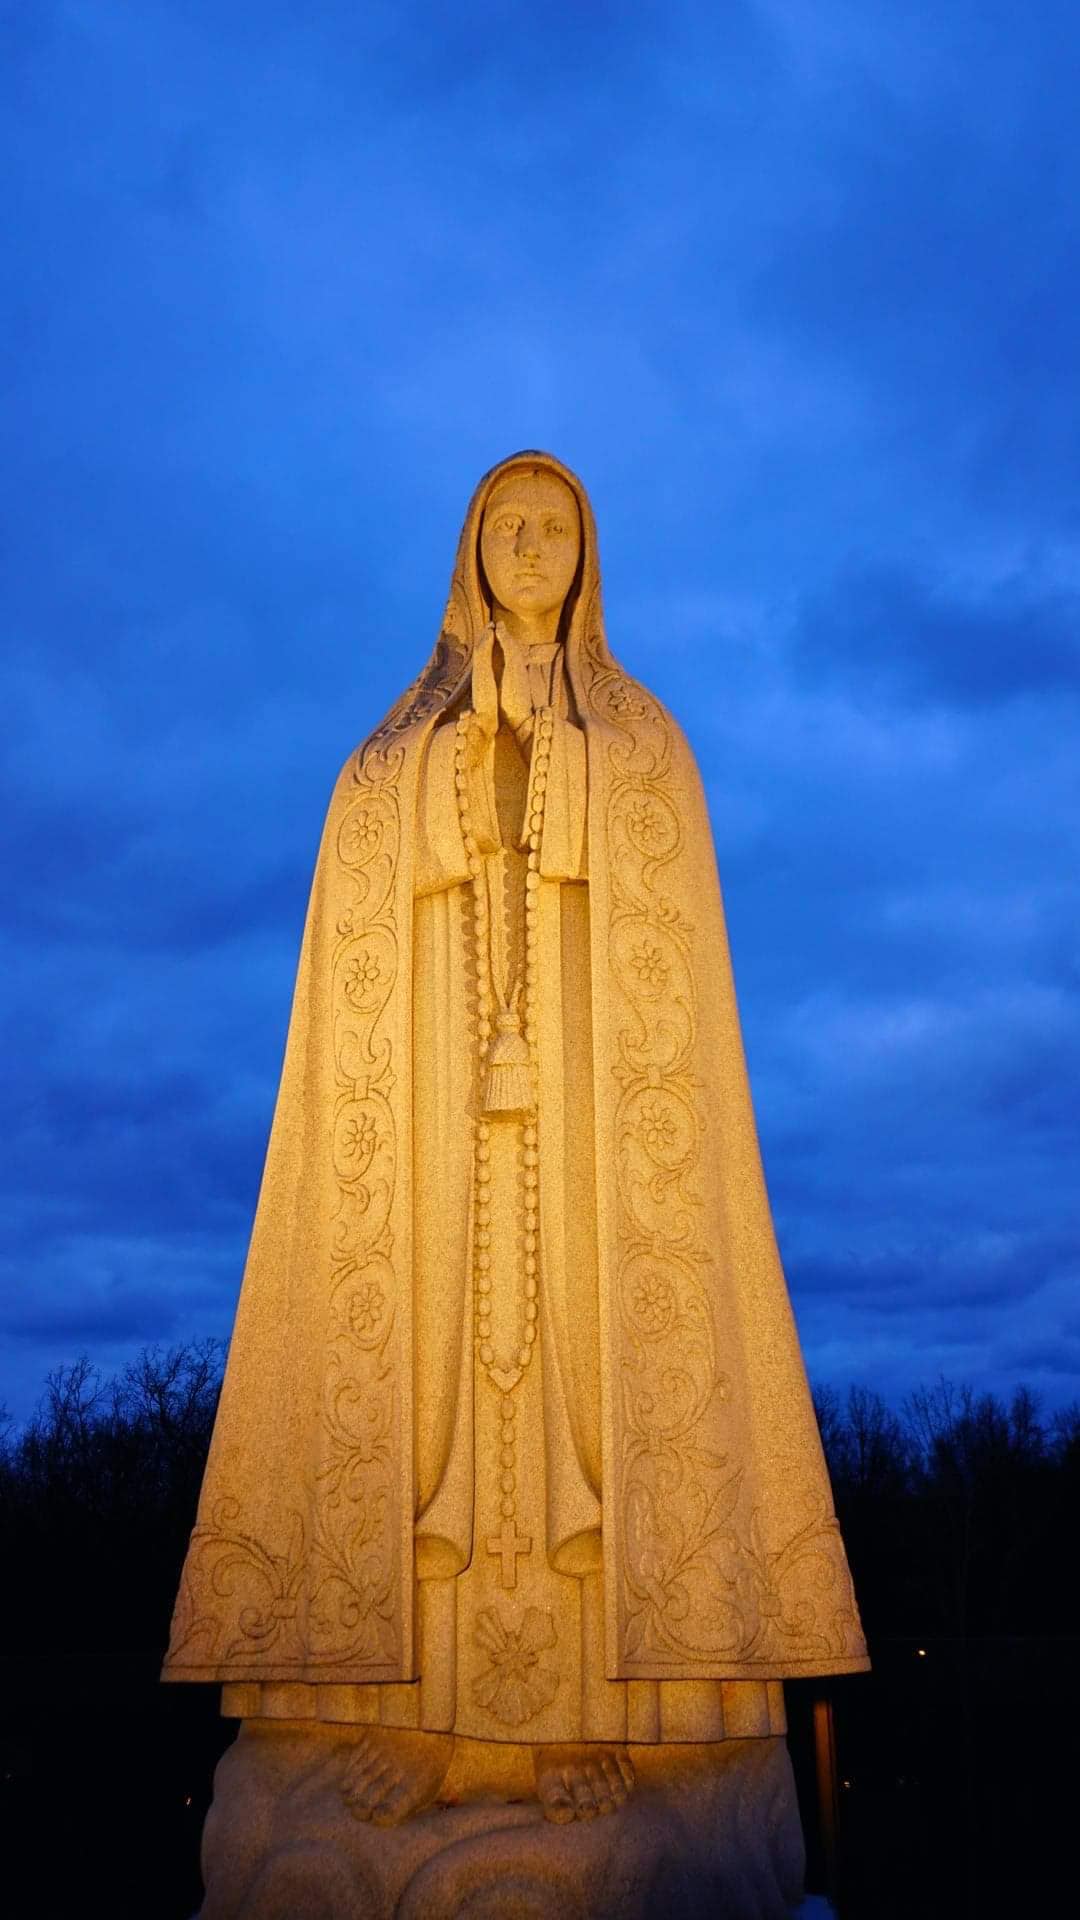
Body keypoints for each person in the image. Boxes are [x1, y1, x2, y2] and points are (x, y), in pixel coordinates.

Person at [164, 451, 867, 1826]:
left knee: (581, 1401)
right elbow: (362, 846)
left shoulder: (645, 741)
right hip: (447, 1135)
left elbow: (664, 902)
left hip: (589, 1142)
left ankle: (606, 1723)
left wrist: (570, 782)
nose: (532, 545)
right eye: (507, 524)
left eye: (555, 526)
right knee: (428, 1404)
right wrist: (454, 773)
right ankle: (415, 1714)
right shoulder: (398, 744)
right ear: (471, 550)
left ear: (589, 553)